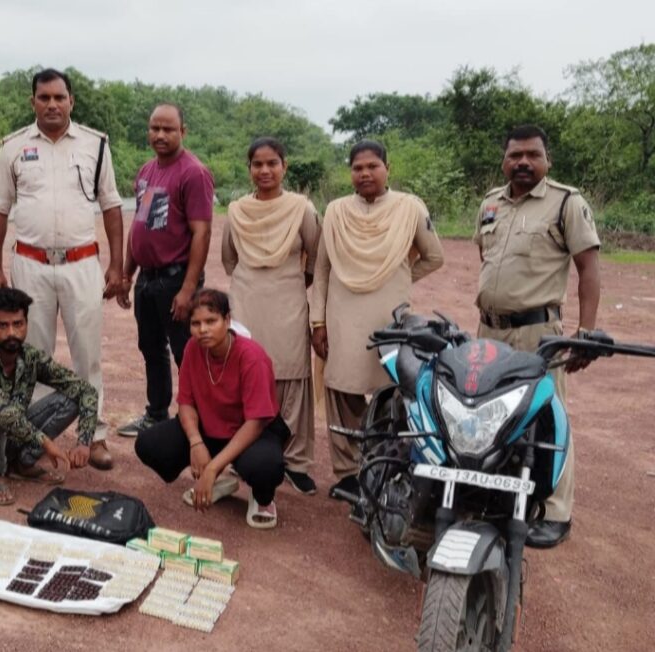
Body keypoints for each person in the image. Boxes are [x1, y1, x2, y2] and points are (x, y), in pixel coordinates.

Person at [0, 68, 123, 470]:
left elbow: (111, 204)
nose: (52, 104)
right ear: (33, 103)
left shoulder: (96, 145)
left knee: (88, 356)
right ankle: (37, 441)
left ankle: (94, 436)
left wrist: (116, 263)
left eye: (59, 98)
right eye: (43, 98)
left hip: (82, 264)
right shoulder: (13, 146)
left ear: (71, 101)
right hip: (30, 264)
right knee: (32, 356)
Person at [474, 124, 601, 549]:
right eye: (515, 155)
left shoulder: (566, 202)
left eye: (532, 155)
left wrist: (585, 331)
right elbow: (486, 257)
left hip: (538, 332)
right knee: (490, 412)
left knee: (548, 418)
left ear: (547, 160)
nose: (523, 162)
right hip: (489, 329)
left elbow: (589, 268)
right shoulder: (491, 203)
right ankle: (501, 494)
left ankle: (554, 512)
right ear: (504, 160)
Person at [311, 140, 444, 503]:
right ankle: (347, 474)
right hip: (341, 317)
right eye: (358, 168)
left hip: (389, 318)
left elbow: (434, 256)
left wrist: (399, 278)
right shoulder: (336, 211)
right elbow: (321, 271)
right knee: (341, 388)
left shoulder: (409, 208)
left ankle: (390, 467)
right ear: (350, 173)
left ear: (388, 168)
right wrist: (317, 322)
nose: (365, 173)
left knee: (394, 390)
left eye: (373, 166)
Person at [135, 289, 288, 529]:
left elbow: (257, 421)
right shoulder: (192, 349)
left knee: (265, 466)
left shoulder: (252, 356)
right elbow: (185, 402)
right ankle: (214, 480)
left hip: (251, 432)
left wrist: (212, 467)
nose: (203, 330)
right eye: (196, 323)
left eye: (211, 321)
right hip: (210, 427)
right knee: (149, 444)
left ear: (227, 321)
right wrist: (196, 443)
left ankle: (262, 498)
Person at [222, 137, 320, 495]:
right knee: (247, 374)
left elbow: (315, 257)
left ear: (284, 167)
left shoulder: (302, 209)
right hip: (247, 302)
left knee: (290, 376)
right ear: (249, 169)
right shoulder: (236, 211)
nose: (264, 171)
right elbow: (230, 259)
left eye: (272, 164)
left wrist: (289, 283)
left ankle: (295, 462)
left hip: (288, 302)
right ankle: (245, 453)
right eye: (257, 164)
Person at [0, 288, 98, 505]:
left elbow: (86, 390)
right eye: (3, 326)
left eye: (18, 324)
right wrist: (44, 442)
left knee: (71, 398)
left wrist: (84, 442)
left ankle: (22, 463)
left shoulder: (30, 357)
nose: (11, 333)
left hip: (11, 437)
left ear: (26, 323)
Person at [116, 103, 214, 437]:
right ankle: (157, 414)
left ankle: (200, 424)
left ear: (183, 132)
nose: (160, 135)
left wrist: (188, 290)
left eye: (168, 129)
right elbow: (139, 226)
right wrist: (128, 275)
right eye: (154, 128)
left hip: (176, 278)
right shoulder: (147, 170)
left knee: (187, 353)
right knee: (151, 348)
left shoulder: (193, 173)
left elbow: (201, 232)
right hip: (148, 279)